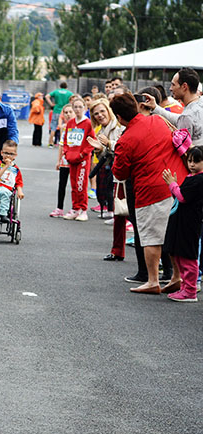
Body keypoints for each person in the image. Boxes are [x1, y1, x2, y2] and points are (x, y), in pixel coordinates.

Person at [110, 93, 187, 294]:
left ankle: (153, 280)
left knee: (152, 238)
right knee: (173, 235)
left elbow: (120, 172)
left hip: (152, 190)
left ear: (119, 117)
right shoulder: (158, 120)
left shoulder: (125, 140)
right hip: (178, 183)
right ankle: (177, 277)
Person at [161, 146, 203, 302]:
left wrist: (172, 184)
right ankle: (185, 287)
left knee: (188, 256)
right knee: (178, 254)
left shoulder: (199, 179)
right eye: (190, 161)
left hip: (190, 224)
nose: (192, 165)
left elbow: (183, 197)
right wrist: (174, 186)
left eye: (197, 161)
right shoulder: (192, 177)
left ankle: (191, 291)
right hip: (180, 221)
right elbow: (179, 195)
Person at [86, 100, 125, 260]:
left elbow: (122, 150)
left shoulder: (118, 128)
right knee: (119, 215)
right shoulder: (102, 130)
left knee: (124, 214)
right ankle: (117, 251)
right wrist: (100, 149)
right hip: (113, 172)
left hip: (124, 175)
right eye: (96, 113)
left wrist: (107, 146)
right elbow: (106, 155)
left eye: (102, 111)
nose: (100, 115)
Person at [141, 68, 203, 146]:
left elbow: (182, 150)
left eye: (173, 85)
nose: (170, 88)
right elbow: (178, 119)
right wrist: (155, 107)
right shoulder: (198, 104)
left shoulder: (187, 116)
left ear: (184, 86)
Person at [60, 96, 96, 221]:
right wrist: (66, 152)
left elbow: (91, 141)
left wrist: (82, 154)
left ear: (85, 108)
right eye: (75, 107)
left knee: (81, 185)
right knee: (74, 185)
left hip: (82, 160)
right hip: (71, 158)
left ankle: (83, 209)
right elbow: (66, 140)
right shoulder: (70, 123)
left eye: (80, 107)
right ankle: (75, 208)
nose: (77, 109)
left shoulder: (88, 123)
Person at [0, 140, 24, 223]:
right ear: (1, 153)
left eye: (11, 154)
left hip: (7, 189)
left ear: (15, 156)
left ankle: (3, 214)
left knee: (4, 191)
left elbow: (19, 182)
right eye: (6, 153)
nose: (8, 156)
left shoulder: (16, 169)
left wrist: (20, 191)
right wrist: (6, 166)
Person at [50, 105, 74, 218]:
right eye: (66, 112)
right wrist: (58, 160)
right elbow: (61, 145)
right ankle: (59, 208)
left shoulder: (80, 125)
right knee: (62, 184)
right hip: (65, 159)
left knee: (75, 186)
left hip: (76, 159)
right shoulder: (65, 127)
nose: (68, 114)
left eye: (70, 112)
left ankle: (76, 208)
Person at [46, 82, 73, 147]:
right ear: (66, 87)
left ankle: (51, 143)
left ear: (60, 86)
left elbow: (47, 96)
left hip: (56, 110)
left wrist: (51, 104)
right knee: (63, 127)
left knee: (53, 127)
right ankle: (62, 142)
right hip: (65, 111)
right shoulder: (69, 93)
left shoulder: (56, 91)